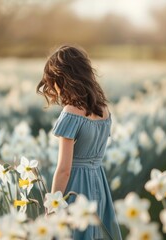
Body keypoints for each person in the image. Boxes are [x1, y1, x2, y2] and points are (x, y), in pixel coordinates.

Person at [37, 45, 122, 240]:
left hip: (76, 186)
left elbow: (64, 169)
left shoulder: (70, 112)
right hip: (99, 184)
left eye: (54, 82)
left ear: (63, 78)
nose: (54, 89)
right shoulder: (104, 110)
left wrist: (52, 206)